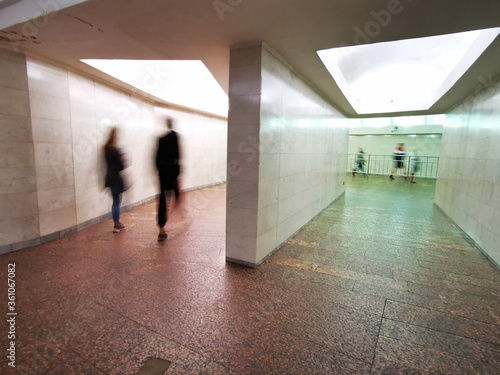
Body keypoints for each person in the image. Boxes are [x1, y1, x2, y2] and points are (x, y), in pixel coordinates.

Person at [155, 117, 182, 241]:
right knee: (173, 195)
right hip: (172, 173)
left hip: (162, 174)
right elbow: (178, 156)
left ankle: (161, 228)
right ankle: (179, 211)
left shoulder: (160, 139)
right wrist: (178, 173)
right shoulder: (176, 137)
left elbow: (156, 159)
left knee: (162, 200)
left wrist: (159, 171)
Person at [104, 127, 127, 233]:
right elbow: (121, 166)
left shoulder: (106, 148)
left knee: (115, 201)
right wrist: (123, 158)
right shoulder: (116, 149)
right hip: (116, 178)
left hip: (109, 177)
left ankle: (117, 223)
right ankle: (116, 224)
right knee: (117, 202)